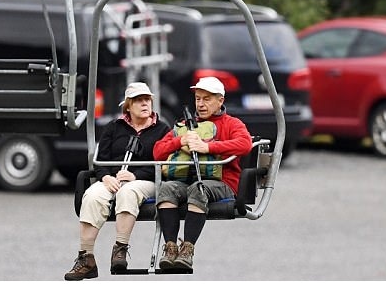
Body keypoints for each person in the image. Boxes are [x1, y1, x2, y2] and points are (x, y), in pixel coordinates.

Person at [64, 82, 171, 281]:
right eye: (139, 100)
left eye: (147, 100)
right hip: (112, 178)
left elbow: (165, 163)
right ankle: (86, 258)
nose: (144, 104)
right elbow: (100, 158)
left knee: (128, 191)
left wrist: (136, 175)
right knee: (93, 195)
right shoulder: (114, 127)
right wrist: (105, 177)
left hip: (146, 179)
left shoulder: (162, 130)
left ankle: (120, 249)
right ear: (128, 106)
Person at [152, 76, 252, 271]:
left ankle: (187, 250)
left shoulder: (232, 124)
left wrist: (207, 147)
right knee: (166, 188)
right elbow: (157, 150)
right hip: (186, 181)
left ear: (220, 101)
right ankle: (170, 247)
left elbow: (245, 144)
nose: (201, 104)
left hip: (222, 183)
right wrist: (179, 142)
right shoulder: (184, 126)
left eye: (207, 99)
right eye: (198, 99)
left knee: (199, 189)